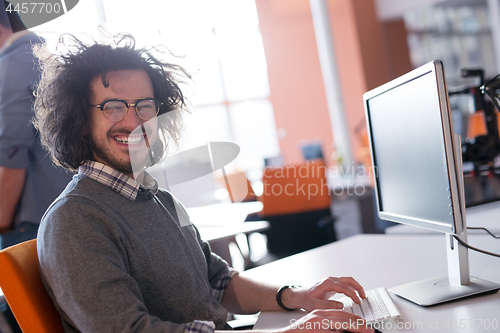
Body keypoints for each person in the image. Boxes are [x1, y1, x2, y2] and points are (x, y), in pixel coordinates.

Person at [33, 33, 374, 333]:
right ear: (79, 119)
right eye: (114, 107)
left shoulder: (157, 198)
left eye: (145, 106)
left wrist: (295, 296)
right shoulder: (74, 221)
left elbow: (218, 282)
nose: (134, 121)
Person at [0, 1, 72, 249]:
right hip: (57, 207)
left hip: (29, 220)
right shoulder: (42, 57)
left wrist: (3, 224)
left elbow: (12, 155)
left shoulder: (12, 64)